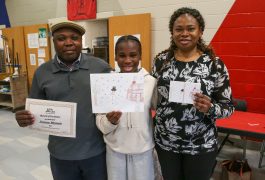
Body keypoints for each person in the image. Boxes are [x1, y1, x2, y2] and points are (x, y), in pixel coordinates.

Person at [15, 20, 111, 180]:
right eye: (61, 38)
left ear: (81, 41)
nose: (68, 43)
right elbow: (34, 110)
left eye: (74, 38)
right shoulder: (42, 72)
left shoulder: (101, 67)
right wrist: (24, 118)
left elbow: (114, 100)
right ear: (53, 42)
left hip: (96, 153)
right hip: (60, 155)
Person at [152, 7, 235, 180]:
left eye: (190, 28)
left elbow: (228, 107)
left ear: (200, 31)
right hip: (166, 143)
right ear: (172, 32)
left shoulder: (214, 64)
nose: (184, 33)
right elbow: (151, 97)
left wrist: (210, 108)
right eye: (179, 29)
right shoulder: (161, 61)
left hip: (200, 145)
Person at [96, 35, 158, 180]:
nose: (128, 60)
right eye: (122, 55)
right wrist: (110, 121)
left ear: (140, 56)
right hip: (115, 150)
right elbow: (101, 123)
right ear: (115, 57)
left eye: (133, 55)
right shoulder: (107, 82)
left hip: (143, 149)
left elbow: (161, 110)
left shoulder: (150, 82)